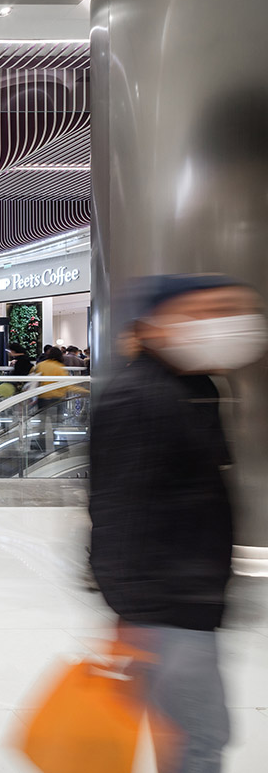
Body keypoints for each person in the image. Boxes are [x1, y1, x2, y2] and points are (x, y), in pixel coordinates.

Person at [90, 274, 268, 773]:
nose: (226, 323)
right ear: (153, 325)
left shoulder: (194, 388)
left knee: (191, 736)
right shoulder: (140, 397)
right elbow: (115, 510)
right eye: (204, 312)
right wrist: (133, 615)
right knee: (199, 741)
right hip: (166, 608)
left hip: (187, 599)